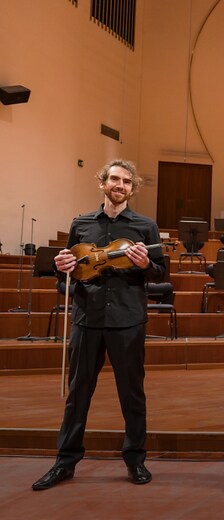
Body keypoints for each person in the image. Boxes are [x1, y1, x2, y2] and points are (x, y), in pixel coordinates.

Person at [33, 159, 165, 490]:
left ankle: (135, 459)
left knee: (132, 394)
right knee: (78, 393)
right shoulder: (81, 224)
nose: (120, 185)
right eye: (114, 179)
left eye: (126, 182)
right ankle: (65, 461)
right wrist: (60, 267)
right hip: (87, 318)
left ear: (133, 189)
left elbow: (161, 274)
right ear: (103, 182)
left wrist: (147, 263)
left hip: (128, 321)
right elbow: (70, 272)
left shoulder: (145, 226)